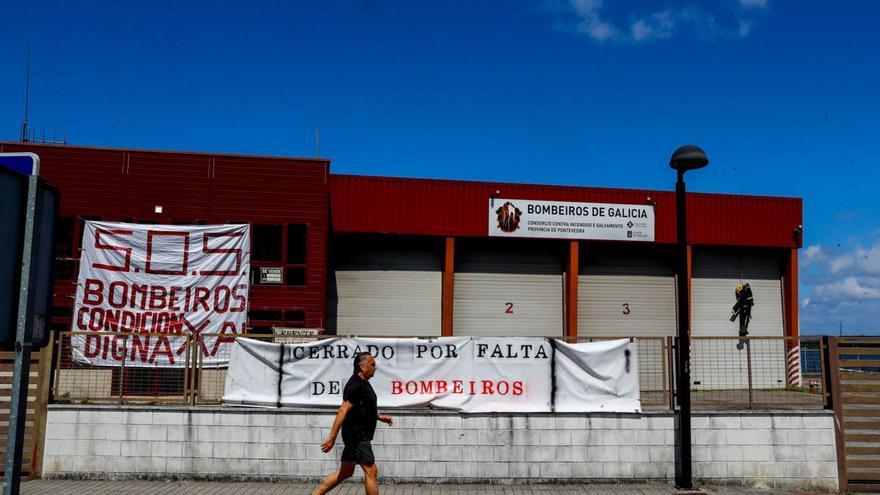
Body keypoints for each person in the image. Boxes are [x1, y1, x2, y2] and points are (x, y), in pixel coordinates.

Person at [313, 352, 392, 495]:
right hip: (357, 435)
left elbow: (362, 408)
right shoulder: (356, 384)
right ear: (362, 367)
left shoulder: (363, 383)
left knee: (346, 472)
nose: (376, 368)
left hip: (355, 434)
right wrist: (332, 438)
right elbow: (343, 410)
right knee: (371, 471)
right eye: (372, 364)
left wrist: (379, 417)